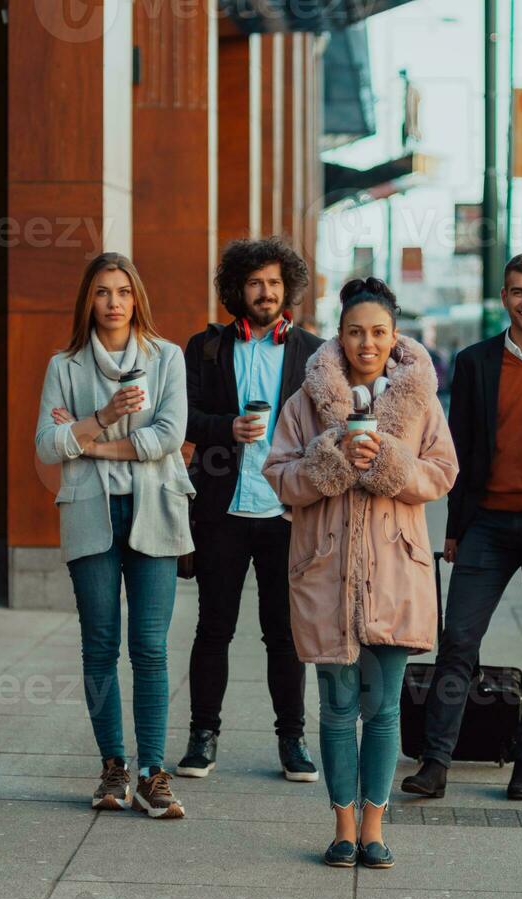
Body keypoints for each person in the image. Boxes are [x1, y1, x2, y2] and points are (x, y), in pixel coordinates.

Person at [263, 278, 457, 869]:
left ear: (394, 337)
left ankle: (375, 825)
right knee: (336, 705)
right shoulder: (304, 402)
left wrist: (391, 464)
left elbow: (443, 473)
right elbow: (279, 476)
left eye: (378, 332)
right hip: (325, 570)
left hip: (396, 572)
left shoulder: (420, 402)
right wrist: (333, 460)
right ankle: (343, 824)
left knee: (386, 706)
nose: (366, 343)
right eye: (354, 332)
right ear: (338, 336)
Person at [400, 252, 522, 802]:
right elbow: (457, 448)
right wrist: (455, 529)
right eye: (517, 291)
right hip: (487, 521)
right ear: (505, 297)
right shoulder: (475, 362)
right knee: (458, 640)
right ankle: (436, 761)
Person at [35, 252, 194, 819]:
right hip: (90, 515)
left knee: (149, 647)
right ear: (89, 300)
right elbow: (46, 447)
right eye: (103, 292)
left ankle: (154, 772)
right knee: (100, 647)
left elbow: (169, 436)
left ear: (137, 298)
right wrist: (101, 417)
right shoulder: (65, 366)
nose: (114, 302)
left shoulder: (166, 358)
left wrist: (86, 441)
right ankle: (113, 768)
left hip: (155, 512)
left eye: (123, 291)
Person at [178, 238, 324, 782]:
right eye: (256, 283)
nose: (266, 293)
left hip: (287, 512)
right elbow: (181, 417)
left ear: (288, 290)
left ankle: (293, 741)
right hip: (222, 508)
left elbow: (329, 424)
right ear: (238, 289)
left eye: (275, 284)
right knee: (213, 628)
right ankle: (203, 735)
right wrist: (225, 427)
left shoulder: (314, 351)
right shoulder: (206, 347)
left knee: (283, 633)